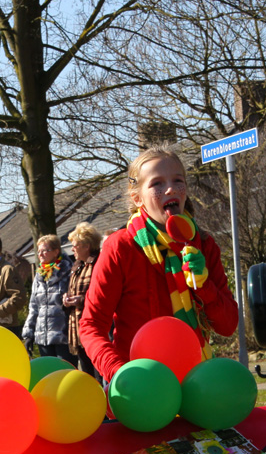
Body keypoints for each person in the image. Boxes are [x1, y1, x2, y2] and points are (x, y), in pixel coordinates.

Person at [79, 146, 238, 383]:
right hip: (140, 384)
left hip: (196, 381)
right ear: (137, 198)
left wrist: (204, 285)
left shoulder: (204, 245)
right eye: (157, 184)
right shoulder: (120, 247)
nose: (170, 189)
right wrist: (120, 373)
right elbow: (91, 326)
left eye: (178, 180)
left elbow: (227, 326)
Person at [22, 234, 74, 361]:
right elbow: (34, 307)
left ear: (56, 252)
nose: (40, 254)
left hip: (63, 336)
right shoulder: (39, 275)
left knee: (65, 370)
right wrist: (29, 334)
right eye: (38, 251)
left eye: (44, 250)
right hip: (43, 338)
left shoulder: (69, 272)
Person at [63, 222, 102, 377]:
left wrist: (81, 300)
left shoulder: (99, 264)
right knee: (86, 375)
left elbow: (101, 294)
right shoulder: (77, 267)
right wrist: (66, 299)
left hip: (95, 329)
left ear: (86, 246)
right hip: (78, 330)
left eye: (75, 245)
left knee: (99, 375)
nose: (72, 249)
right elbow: (72, 290)